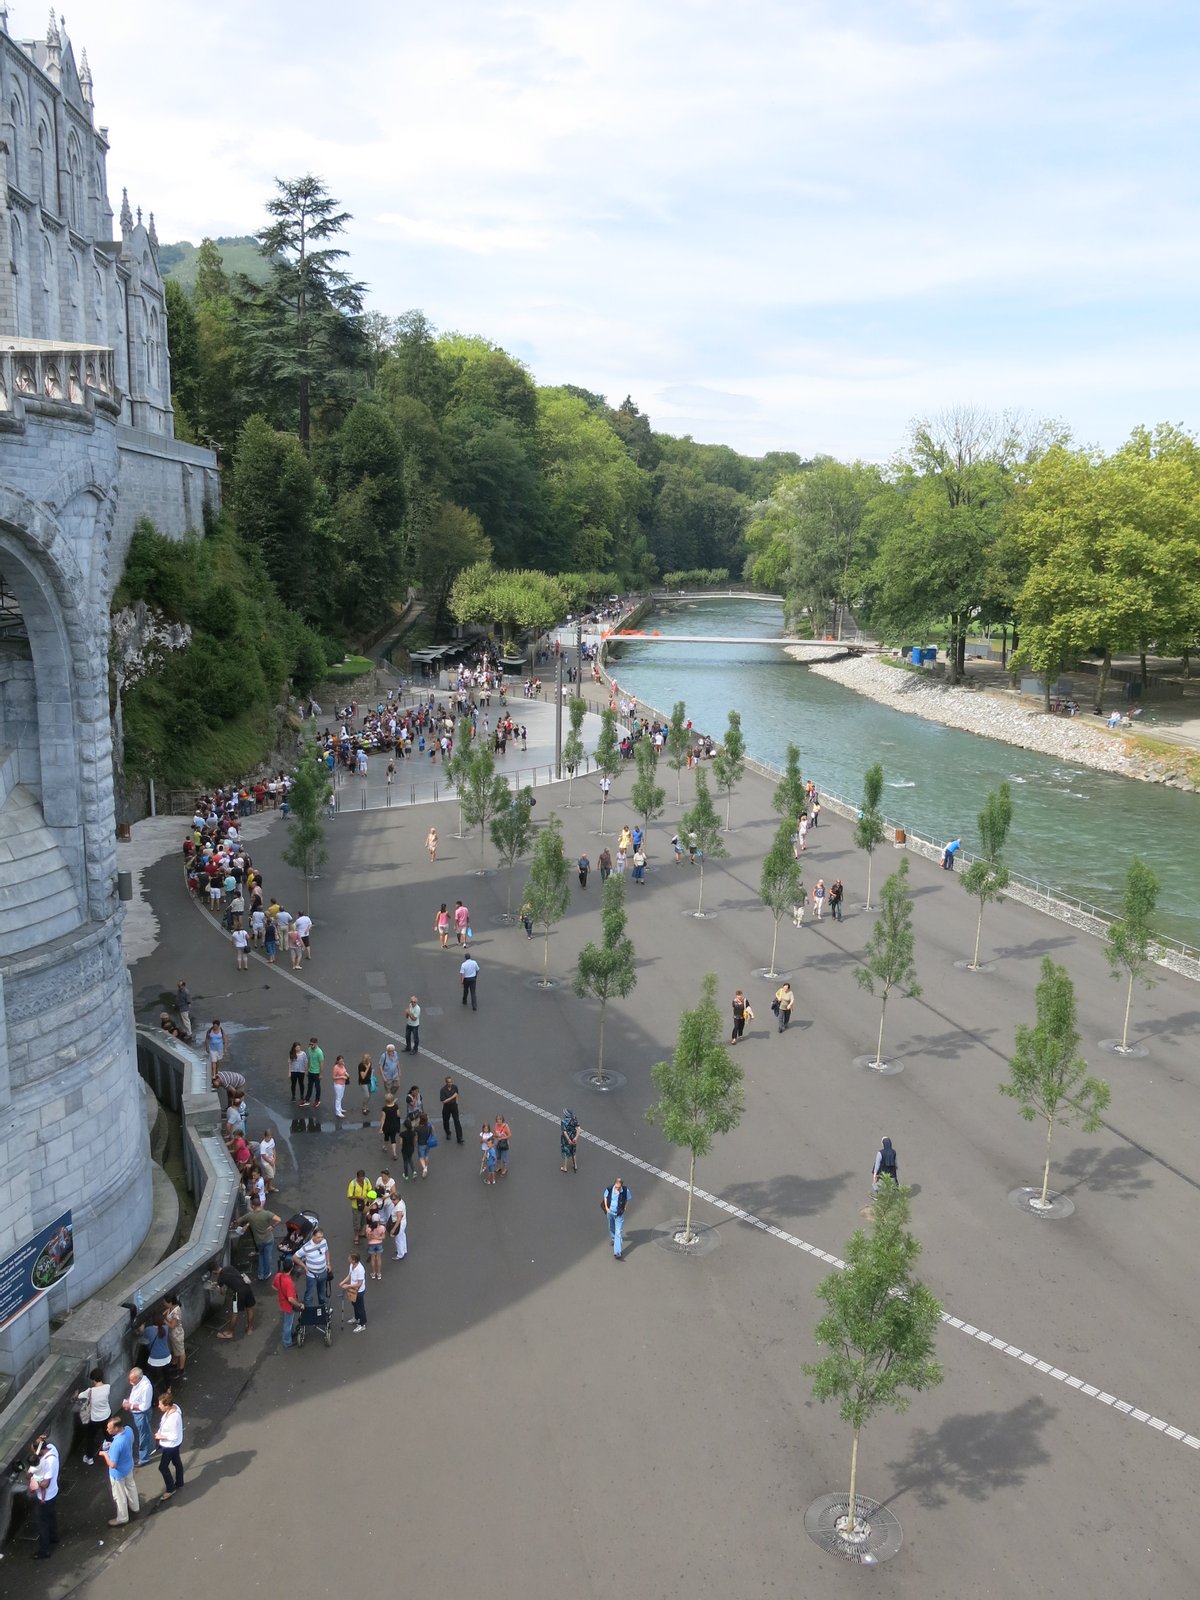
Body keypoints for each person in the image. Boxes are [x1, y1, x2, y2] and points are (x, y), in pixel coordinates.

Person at [101, 1417, 140, 1526]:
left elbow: (112, 1465)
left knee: (120, 1496)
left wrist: (105, 1454)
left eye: (109, 1428)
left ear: (117, 1428)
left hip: (118, 1474)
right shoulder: (128, 1429)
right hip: (128, 1465)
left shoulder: (117, 1444)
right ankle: (135, 1506)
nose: (107, 1430)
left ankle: (122, 1518)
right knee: (131, 1486)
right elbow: (130, 1442)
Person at [27, 1433, 60, 1558]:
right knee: (51, 1516)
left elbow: (45, 1484)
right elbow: (41, 1444)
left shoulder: (49, 1461)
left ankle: (44, 1550)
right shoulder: (52, 1448)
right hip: (54, 1493)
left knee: (42, 1523)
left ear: (39, 1451)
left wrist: (34, 1482)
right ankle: (54, 1537)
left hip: (46, 1497)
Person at [211, 1261, 256, 1339]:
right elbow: (234, 1278)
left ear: (214, 1271)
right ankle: (249, 1329)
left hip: (238, 1293)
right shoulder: (229, 1267)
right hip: (246, 1287)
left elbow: (222, 1293)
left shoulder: (220, 1278)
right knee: (249, 1309)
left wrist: (218, 1287)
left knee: (234, 1313)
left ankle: (230, 1332)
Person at [121, 1365, 155, 1465]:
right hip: (138, 1414)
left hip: (141, 1414)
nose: (130, 1382)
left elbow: (144, 1406)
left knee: (144, 1434)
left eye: (132, 1380)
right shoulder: (139, 1383)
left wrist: (130, 1405)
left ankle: (144, 1458)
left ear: (139, 1378)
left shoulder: (146, 1387)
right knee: (145, 1432)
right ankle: (148, 1449)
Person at [155, 1391, 184, 1500]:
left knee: (163, 1467)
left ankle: (171, 1489)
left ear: (167, 1405)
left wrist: (160, 1436)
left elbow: (173, 1436)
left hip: (170, 1445)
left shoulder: (173, 1418)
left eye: (160, 1404)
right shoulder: (175, 1408)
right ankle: (180, 1482)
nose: (159, 1406)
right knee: (176, 1461)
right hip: (175, 1444)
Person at [294, 1225, 331, 1307]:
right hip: (312, 1275)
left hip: (323, 1272)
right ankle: (308, 1311)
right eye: (318, 1237)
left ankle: (323, 1309)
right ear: (313, 1236)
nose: (320, 1239)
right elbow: (295, 1257)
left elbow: (327, 1251)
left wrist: (328, 1264)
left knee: (322, 1292)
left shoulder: (324, 1241)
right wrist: (304, 1266)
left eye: (321, 1237)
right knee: (309, 1294)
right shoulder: (306, 1247)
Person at [273, 1260, 303, 1348]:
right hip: (288, 1306)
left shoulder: (278, 1276)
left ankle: (291, 1333)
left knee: (289, 1321)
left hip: (282, 1302)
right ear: (291, 1268)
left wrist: (282, 1292)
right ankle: (287, 1342)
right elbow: (290, 1299)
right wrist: (299, 1305)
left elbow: (274, 1286)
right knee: (288, 1324)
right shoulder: (289, 1282)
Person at [602, 1177, 631, 1260]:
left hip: (619, 1214)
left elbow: (628, 1199)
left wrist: (625, 1207)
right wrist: (607, 1208)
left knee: (618, 1232)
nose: (617, 1189)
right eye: (616, 1187)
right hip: (610, 1212)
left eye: (619, 1187)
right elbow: (605, 1196)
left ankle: (617, 1252)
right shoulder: (610, 1188)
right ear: (615, 1184)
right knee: (611, 1227)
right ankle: (613, 1238)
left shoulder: (625, 1190)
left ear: (621, 1185)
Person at [340, 1252, 367, 1332]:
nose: (348, 1259)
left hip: (359, 1291)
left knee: (360, 1307)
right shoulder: (351, 1265)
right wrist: (343, 1282)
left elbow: (359, 1284)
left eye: (350, 1258)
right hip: (352, 1289)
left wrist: (347, 1286)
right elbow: (349, 1275)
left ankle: (362, 1324)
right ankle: (356, 1318)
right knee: (354, 1303)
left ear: (354, 1260)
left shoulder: (360, 1269)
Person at [163, 1293, 187, 1376]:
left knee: (180, 1351)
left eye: (165, 1302)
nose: (164, 1304)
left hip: (177, 1334)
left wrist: (164, 1321)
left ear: (170, 1303)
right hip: (173, 1335)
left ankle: (181, 1369)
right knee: (176, 1349)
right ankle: (174, 1364)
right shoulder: (171, 1308)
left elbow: (172, 1326)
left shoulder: (176, 1312)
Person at [347, 1169, 373, 1239]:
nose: (362, 1180)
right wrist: (358, 1197)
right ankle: (356, 1235)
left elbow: (370, 1190)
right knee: (357, 1222)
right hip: (356, 1206)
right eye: (360, 1179)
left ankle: (361, 1232)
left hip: (365, 1204)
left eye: (363, 1178)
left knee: (364, 1220)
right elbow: (349, 1196)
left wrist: (370, 1196)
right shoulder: (353, 1184)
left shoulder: (367, 1181)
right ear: (357, 1177)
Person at [440, 1075, 463, 1143]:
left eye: (451, 1082)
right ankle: (448, 1133)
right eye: (449, 1082)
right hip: (446, 1107)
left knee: (457, 1121)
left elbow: (457, 1094)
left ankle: (459, 1137)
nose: (450, 1083)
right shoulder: (443, 1090)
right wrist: (453, 1097)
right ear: (446, 1083)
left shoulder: (455, 1087)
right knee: (446, 1121)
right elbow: (443, 1101)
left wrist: (457, 1102)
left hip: (454, 1106)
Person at [305, 1036, 324, 1107]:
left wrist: (321, 1074)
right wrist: (306, 1070)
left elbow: (321, 1063)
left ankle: (317, 1100)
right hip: (310, 1071)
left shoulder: (319, 1052)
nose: (311, 1046)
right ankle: (307, 1099)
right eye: (310, 1044)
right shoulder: (309, 1049)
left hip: (316, 1072)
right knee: (309, 1086)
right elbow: (308, 1060)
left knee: (317, 1087)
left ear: (316, 1044)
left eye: (312, 1044)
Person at [560, 1108, 580, 1173]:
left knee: (566, 1152)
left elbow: (564, 1131)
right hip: (573, 1137)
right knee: (573, 1151)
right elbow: (579, 1129)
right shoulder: (574, 1119)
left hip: (566, 1139)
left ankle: (565, 1167)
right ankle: (575, 1165)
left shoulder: (563, 1121)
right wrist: (576, 1138)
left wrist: (568, 1140)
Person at [331, 1054, 349, 1118]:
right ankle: (338, 1112)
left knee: (341, 1096)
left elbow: (344, 1071)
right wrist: (341, 1077)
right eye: (341, 1061)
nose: (342, 1062)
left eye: (342, 1061)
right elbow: (333, 1077)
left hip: (343, 1083)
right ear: (337, 1061)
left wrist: (346, 1074)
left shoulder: (342, 1065)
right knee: (338, 1098)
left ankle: (340, 1108)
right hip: (338, 1084)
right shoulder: (336, 1067)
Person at [358, 1053, 375, 1119]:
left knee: (370, 1095)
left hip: (369, 1081)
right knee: (366, 1095)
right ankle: (363, 1107)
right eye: (369, 1059)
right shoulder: (361, 1065)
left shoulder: (370, 1063)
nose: (370, 1060)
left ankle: (366, 1106)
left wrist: (372, 1073)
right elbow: (363, 1076)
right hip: (363, 1082)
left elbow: (371, 1070)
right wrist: (367, 1068)